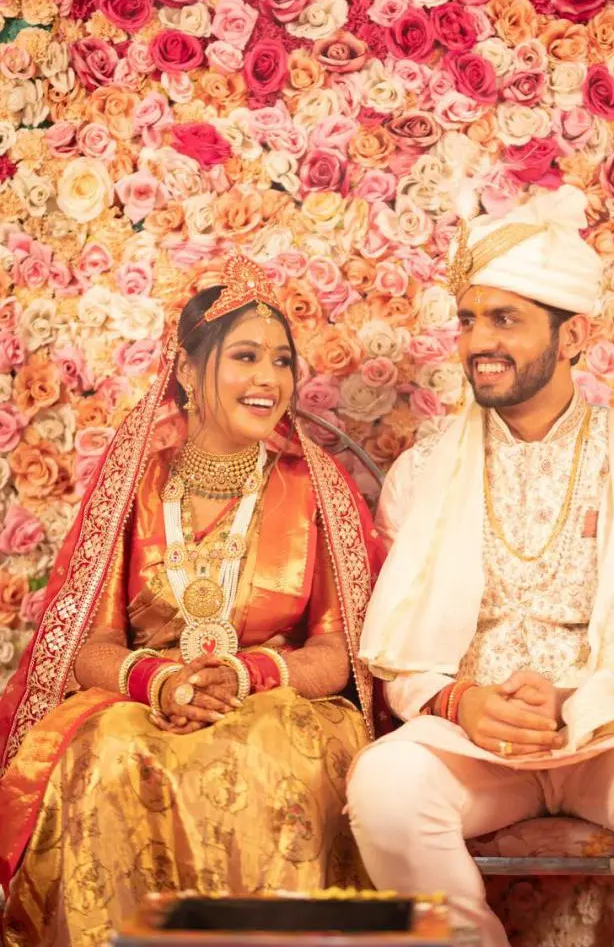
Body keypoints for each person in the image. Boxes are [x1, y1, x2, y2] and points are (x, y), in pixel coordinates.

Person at [348, 185, 614, 947]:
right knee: (384, 789)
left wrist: (586, 697)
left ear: (573, 334)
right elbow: (398, 646)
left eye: (505, 319)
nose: (477, 342)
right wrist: (461, 703)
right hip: (476, 744)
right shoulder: (424, 472)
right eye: (467, 320)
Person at [0, 252, 384, 947]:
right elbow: (92, 643)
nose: (269, 379)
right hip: (145, 699)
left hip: (280, 701)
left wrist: (246, 674)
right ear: (185, 370)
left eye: (282, 361)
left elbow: (340, 650)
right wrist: (162, 681)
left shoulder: (314, 485)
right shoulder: (137, 481)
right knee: (108, 752)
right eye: (245, 357)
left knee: (263, 751)